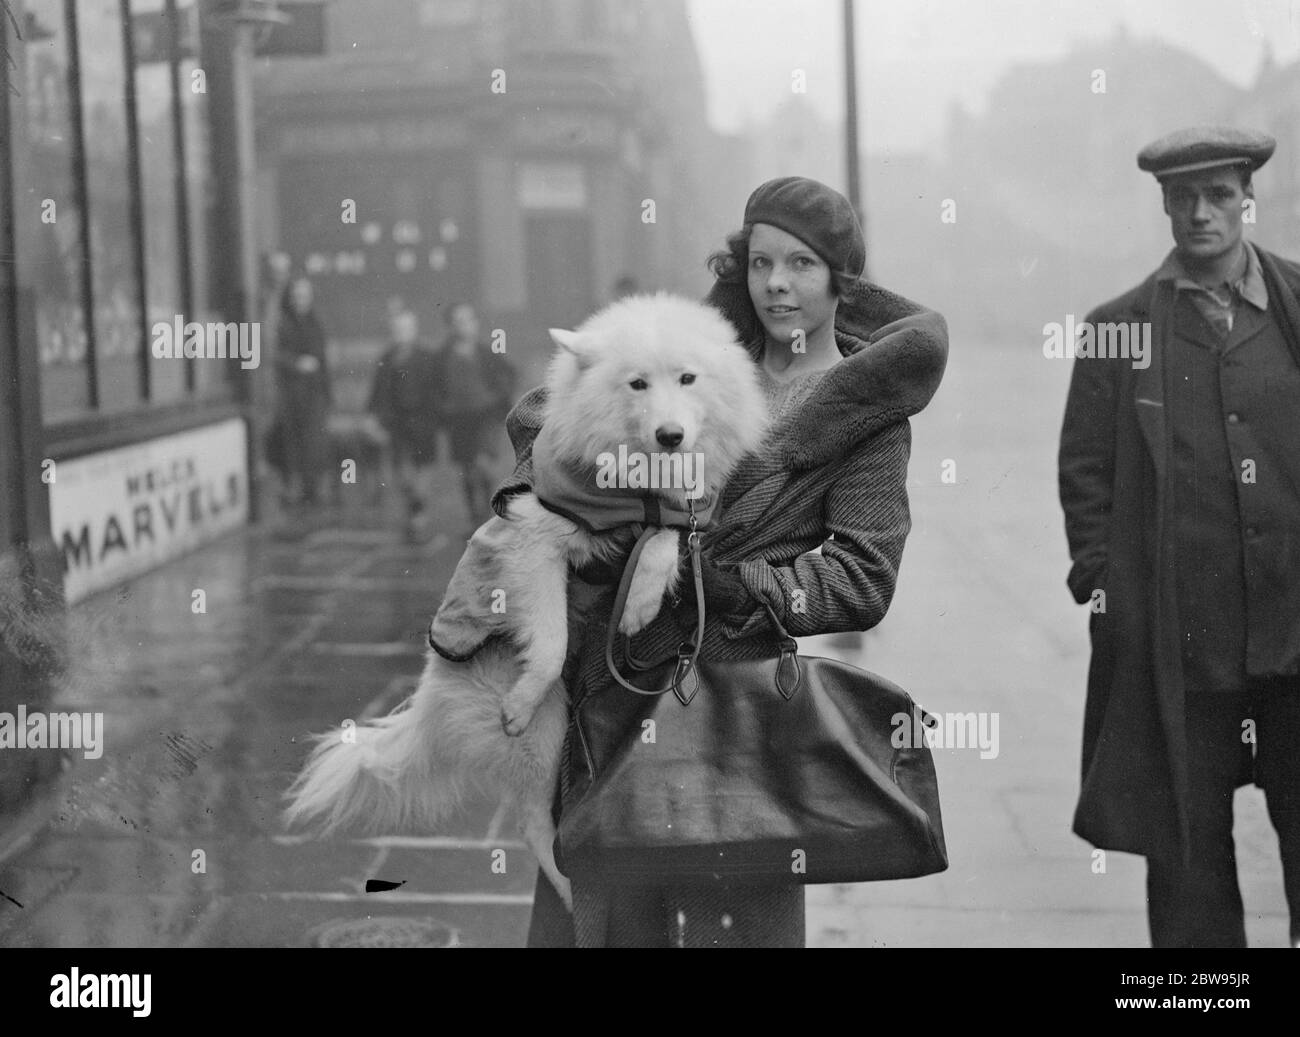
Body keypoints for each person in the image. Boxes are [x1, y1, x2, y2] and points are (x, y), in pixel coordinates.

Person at [493, 176, 948, 947]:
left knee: (731, 929)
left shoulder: (865, 418)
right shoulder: (691, 354)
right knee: (605, 922)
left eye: (803, 264)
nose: (778, 284)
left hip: (738, 716)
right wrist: (543, 490)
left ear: (843, 280)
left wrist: (735, 583)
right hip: (614, 688)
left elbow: (862, 578)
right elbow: (552, 413)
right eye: (762, 262)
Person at [1058, 127, 1300, 948]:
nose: (1201, 213)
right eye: (1183, 197)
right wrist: (1108, 588)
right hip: (1182, 650)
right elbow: (1084, 475)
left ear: (1246, 199)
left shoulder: (1299, 307)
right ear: (1164, 204)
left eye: (1219, 195)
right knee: (1189, 864)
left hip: (1297, 644)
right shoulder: (1116, 329)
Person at [439, 302, 517, 529]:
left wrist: (496, 398)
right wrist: (444, 408)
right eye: (459, 322)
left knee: (483, 464)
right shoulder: (443, 357)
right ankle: (474, 513)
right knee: (466, 470)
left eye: (469, 320)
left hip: (485, 418)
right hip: (459, 420)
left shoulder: (487, 353)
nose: (466, 326)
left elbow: (508, 375)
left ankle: (486, 507)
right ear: (451, 326)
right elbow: (434, 388)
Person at [368, 307, 443, 542]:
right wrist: (373, 418)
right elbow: (378, 392)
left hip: (423, 423)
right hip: (397, 424)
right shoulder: (387, 359)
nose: (402, 333)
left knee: (422, 471)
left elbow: (437, 391)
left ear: (414, 330)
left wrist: (437, 418)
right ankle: (415, 505)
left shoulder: (427, 357)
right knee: (402, 475)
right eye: (397, 329)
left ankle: (418, 509)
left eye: (406, 328)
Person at [273, 276, 332, 509]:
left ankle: (313, 492)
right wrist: (296, 363)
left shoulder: (315, 322)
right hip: (292, 395)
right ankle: (296, 492)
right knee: (293, 445)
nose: (301, 300)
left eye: (305, 296)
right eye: (297, 296)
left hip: (315, 394)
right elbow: (276, 355)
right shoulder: (284, 323)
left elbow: (323, 361)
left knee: (315, 445)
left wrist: (327, 394)